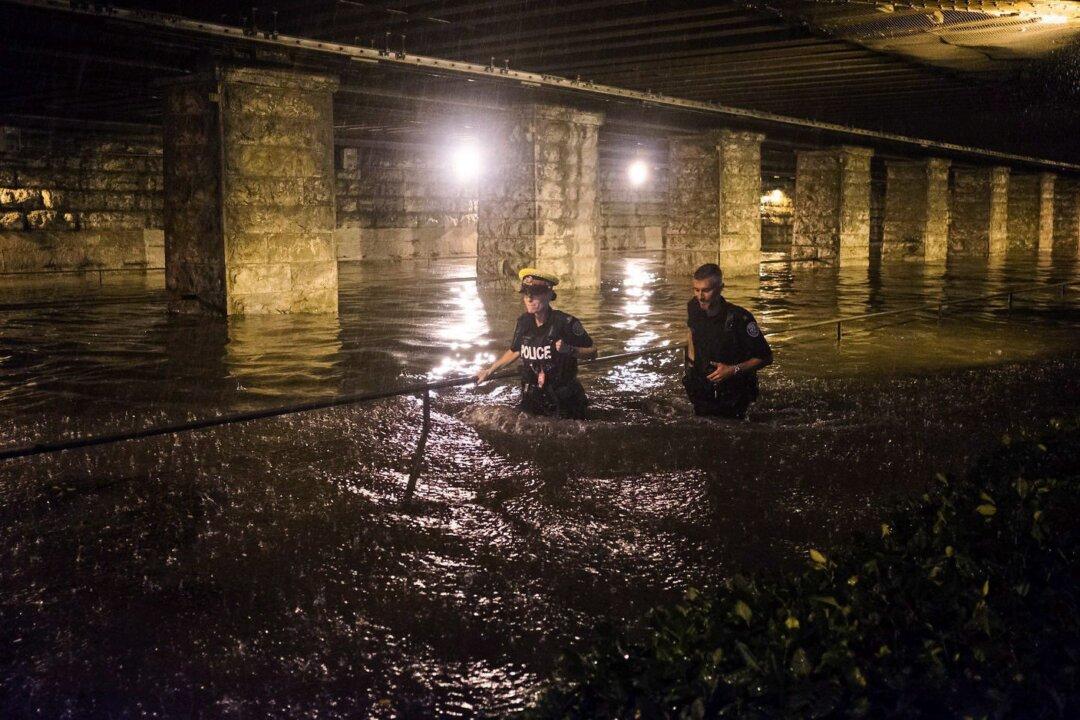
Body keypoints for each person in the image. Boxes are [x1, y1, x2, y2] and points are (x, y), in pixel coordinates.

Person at [475, 267, 597, 419]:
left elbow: (593, 352)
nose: (529, 299)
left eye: (535, 294)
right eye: (526, 294)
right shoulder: (523, 322)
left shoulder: (566, 323)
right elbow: (515, 350)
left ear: (549, 294)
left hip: (564, 400)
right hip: (532, 398)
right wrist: (489, 371)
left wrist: (570, 350)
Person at [683, 263, 772, 419]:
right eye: (696, 290)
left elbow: (765, 357)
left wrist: (732, 370)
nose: (700, 296)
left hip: (734, 392)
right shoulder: (694, 307)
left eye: (706, 290)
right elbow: (691, 332)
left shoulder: (740, 318)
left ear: (720, 288)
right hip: (703, 387)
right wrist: (691, 366)